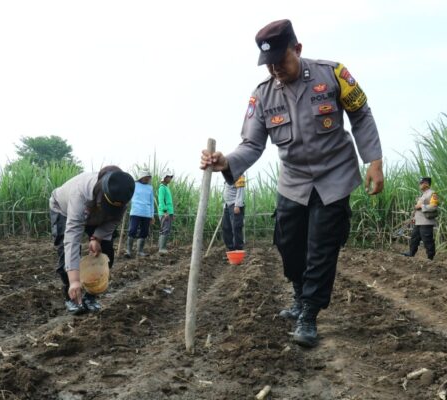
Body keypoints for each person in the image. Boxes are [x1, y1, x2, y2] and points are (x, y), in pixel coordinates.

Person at [200, 19, 384, 347]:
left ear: (297, 50)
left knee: (321, 248)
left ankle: (309, 313)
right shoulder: (262, 95)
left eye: (281, 61)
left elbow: (361, 114)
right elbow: (252, 144)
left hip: (334, 177)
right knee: (288, 244)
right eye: (268, 65)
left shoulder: (334, 74)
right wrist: (225, 162)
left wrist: (374, 162)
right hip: (294, 182)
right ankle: (299, 296)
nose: (275, 70)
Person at [49, 166, 135, 315]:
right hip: (63, 209)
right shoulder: (81, 193)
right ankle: (72, 296)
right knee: (65, 254)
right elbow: (72, 238)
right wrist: (75, 280)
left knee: (105, 252)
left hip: (98, 216)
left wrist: (97, 238)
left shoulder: (122, 195)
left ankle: (91, 296)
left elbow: (113, 220)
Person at [402, 177, 439, 260]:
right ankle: (411, 253)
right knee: (414, 238)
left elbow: (434, 207)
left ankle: (430, 257)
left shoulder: (433, 194)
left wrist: (421, 206)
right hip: (418, 222)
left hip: (426, 222)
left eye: (421, 183)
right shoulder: (423, 194)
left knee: (427, 240)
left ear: (426, 183)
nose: (420, 185)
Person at [126, 169, 155, 257]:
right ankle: (128, 251)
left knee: (144, 231)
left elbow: (151, 202)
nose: (147, 179)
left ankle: (140, 251)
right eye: (146, 177)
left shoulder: (150, 188)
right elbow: (128, 195)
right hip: (135, 212)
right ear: (141, 177)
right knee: (132, 230)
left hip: (146, 213)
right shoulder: (134, 185)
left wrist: (152, 215)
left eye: (148, 177)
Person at [222, 175, 246, 251]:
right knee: (226, 227)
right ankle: (231, 249)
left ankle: (238, 249)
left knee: (236, 228)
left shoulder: (239, 174)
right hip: (227, 205)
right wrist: (225, 205)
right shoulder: (228, 176)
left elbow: (240, 190)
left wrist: (238, 205)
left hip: (235, 205)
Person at [157, 169, 174, 254]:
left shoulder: (167, 187)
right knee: (165, 229)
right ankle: (162, 248)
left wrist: (172, 213)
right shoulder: (162, 188)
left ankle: (161, 247)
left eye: (171, 177)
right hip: (165, 213)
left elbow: (169, 201)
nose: (170, 178)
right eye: (169, 177)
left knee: (166, 229)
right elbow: (161, 201)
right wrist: (165, 211)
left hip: (168, 212)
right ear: (165, 177)